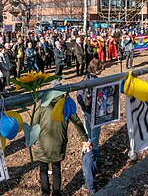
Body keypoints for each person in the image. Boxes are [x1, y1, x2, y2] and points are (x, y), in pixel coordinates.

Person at [33, 80, 90, 196]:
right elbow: (77, 122)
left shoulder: (42, 102)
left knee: (43, 169)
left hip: (43, 143)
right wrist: (84, 137)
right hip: (59, 141)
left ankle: (45, 193)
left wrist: (33, 139)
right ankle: (56, 193)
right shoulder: (67, 103)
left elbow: (34, 123)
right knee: (56, 169)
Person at [77, 60, 104, 195]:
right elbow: (81, 98)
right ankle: (93, 160)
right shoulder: (90, 81)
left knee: (92, 135)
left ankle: (95, 158)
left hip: (90, 112)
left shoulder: (86, 79)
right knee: (92, 137)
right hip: (90, 112)